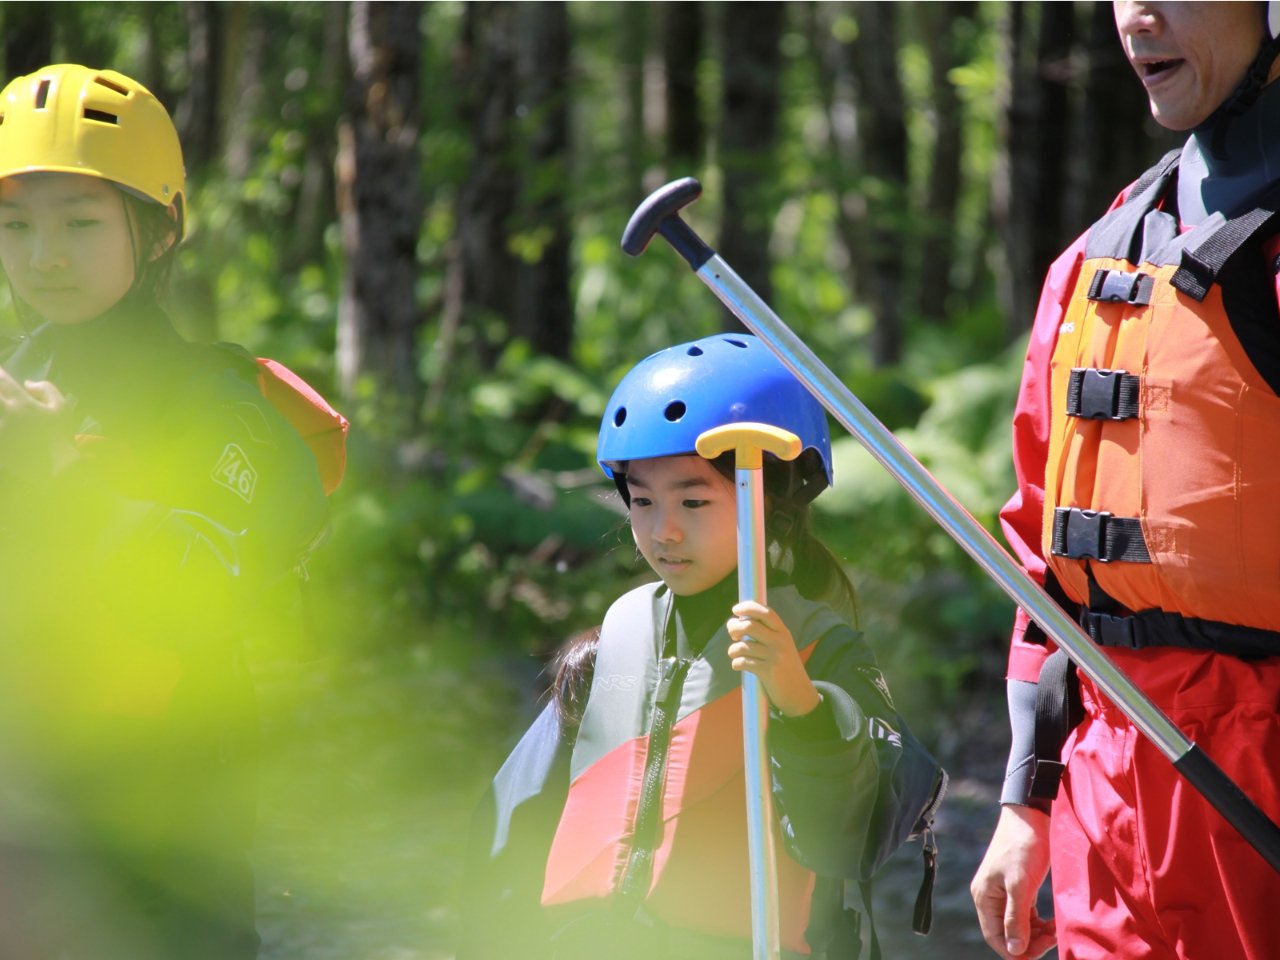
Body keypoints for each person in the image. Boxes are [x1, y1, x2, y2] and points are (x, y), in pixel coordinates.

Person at [0, 65, 342, 958]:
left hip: (164, 820)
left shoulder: (214, 404)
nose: (44, 256)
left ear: (157, 234)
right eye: (15, 227)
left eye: (80, 223)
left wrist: (61, 475)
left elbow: (212, 583)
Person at [460, 333, 946, 960]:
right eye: (641, 501)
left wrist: (801, 703)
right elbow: (510, 820)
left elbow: (848, 835)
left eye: (694, 500)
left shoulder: (821, 643)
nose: (663, 530)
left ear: (768, 497)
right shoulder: (611, 645)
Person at [971, 4, 1280, 959]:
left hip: (1257, 776)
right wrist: (1027, 799)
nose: (1138, 16)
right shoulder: (1101, 253)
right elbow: (1047, 558)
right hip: (1109, 783)